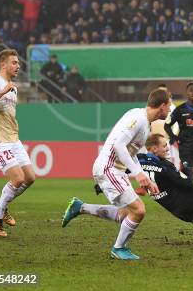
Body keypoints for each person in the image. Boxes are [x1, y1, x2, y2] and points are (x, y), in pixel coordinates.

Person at [61, 88, 171, 260]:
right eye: (169, 105)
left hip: (114, 169)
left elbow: (131, 153)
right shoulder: (139, 119)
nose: (170, 109)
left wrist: (146, 178)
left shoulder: (144, 122)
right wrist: (136, 174)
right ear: (162, 106)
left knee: (126, 214)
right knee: (139, 210)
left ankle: (80, 207)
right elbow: (118, 146)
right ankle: (119, 248)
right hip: (108, 167)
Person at [0, 49, 36, 237]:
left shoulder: (14, 87)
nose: (18, 66)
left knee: (29, 178)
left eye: (18, 63)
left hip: (13, 139)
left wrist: (8, 90)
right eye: (14, 62)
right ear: (2, 64)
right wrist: (3, 91)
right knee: (17, 178)